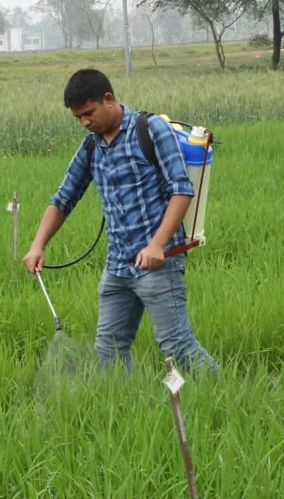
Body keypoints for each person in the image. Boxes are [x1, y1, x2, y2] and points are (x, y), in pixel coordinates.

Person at [24, 69, 218, 375]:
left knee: (178, 347)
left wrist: (157, 245)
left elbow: (182, 190)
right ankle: (121, 405)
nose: (85, 122)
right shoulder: (92, 146)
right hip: (117, 265)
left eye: (89, 113)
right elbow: (63, 199)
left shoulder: (151, 129)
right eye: (78, 118)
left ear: (109, 99)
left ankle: (224, 395)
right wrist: (38, 245)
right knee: (108, 351)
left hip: (160, 261)